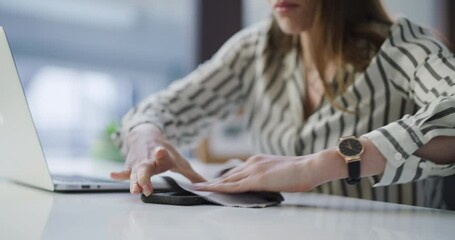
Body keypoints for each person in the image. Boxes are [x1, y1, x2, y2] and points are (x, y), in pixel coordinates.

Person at [111, 0, 455, 209]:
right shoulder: (256, 49)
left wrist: (320, 164)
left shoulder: (403, 45)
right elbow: (162, 109)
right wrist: (146, 139)